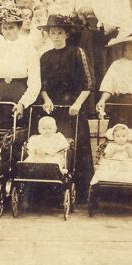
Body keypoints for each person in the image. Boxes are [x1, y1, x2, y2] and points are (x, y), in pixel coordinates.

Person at [38, 14, 94, 199]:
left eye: (60, 33)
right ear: (48, 35)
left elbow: (88, 84)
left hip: (74, 108)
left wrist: (77, 104)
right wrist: (46, 100)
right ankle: (51, 192)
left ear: (67, 34)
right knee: (51, 146)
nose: (56, 36)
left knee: (76, 147)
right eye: (53, 33)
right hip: (53, 109)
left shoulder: (77, 52)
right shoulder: (45, 57)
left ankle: (81, 192)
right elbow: (42, 85)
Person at [0, 3, 41, 124]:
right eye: (4, 28)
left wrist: (23, 103)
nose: (7, 32)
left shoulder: (28, 48)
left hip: (19, 93)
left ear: (19, 27)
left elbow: (35, 83)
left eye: (11, 28)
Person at [96, 23, 132, 141]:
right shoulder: (117, 64)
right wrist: (102, 100)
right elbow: (108, 86)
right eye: (130, 44)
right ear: (124, 46)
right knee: (119, 138)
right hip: (121, 106)